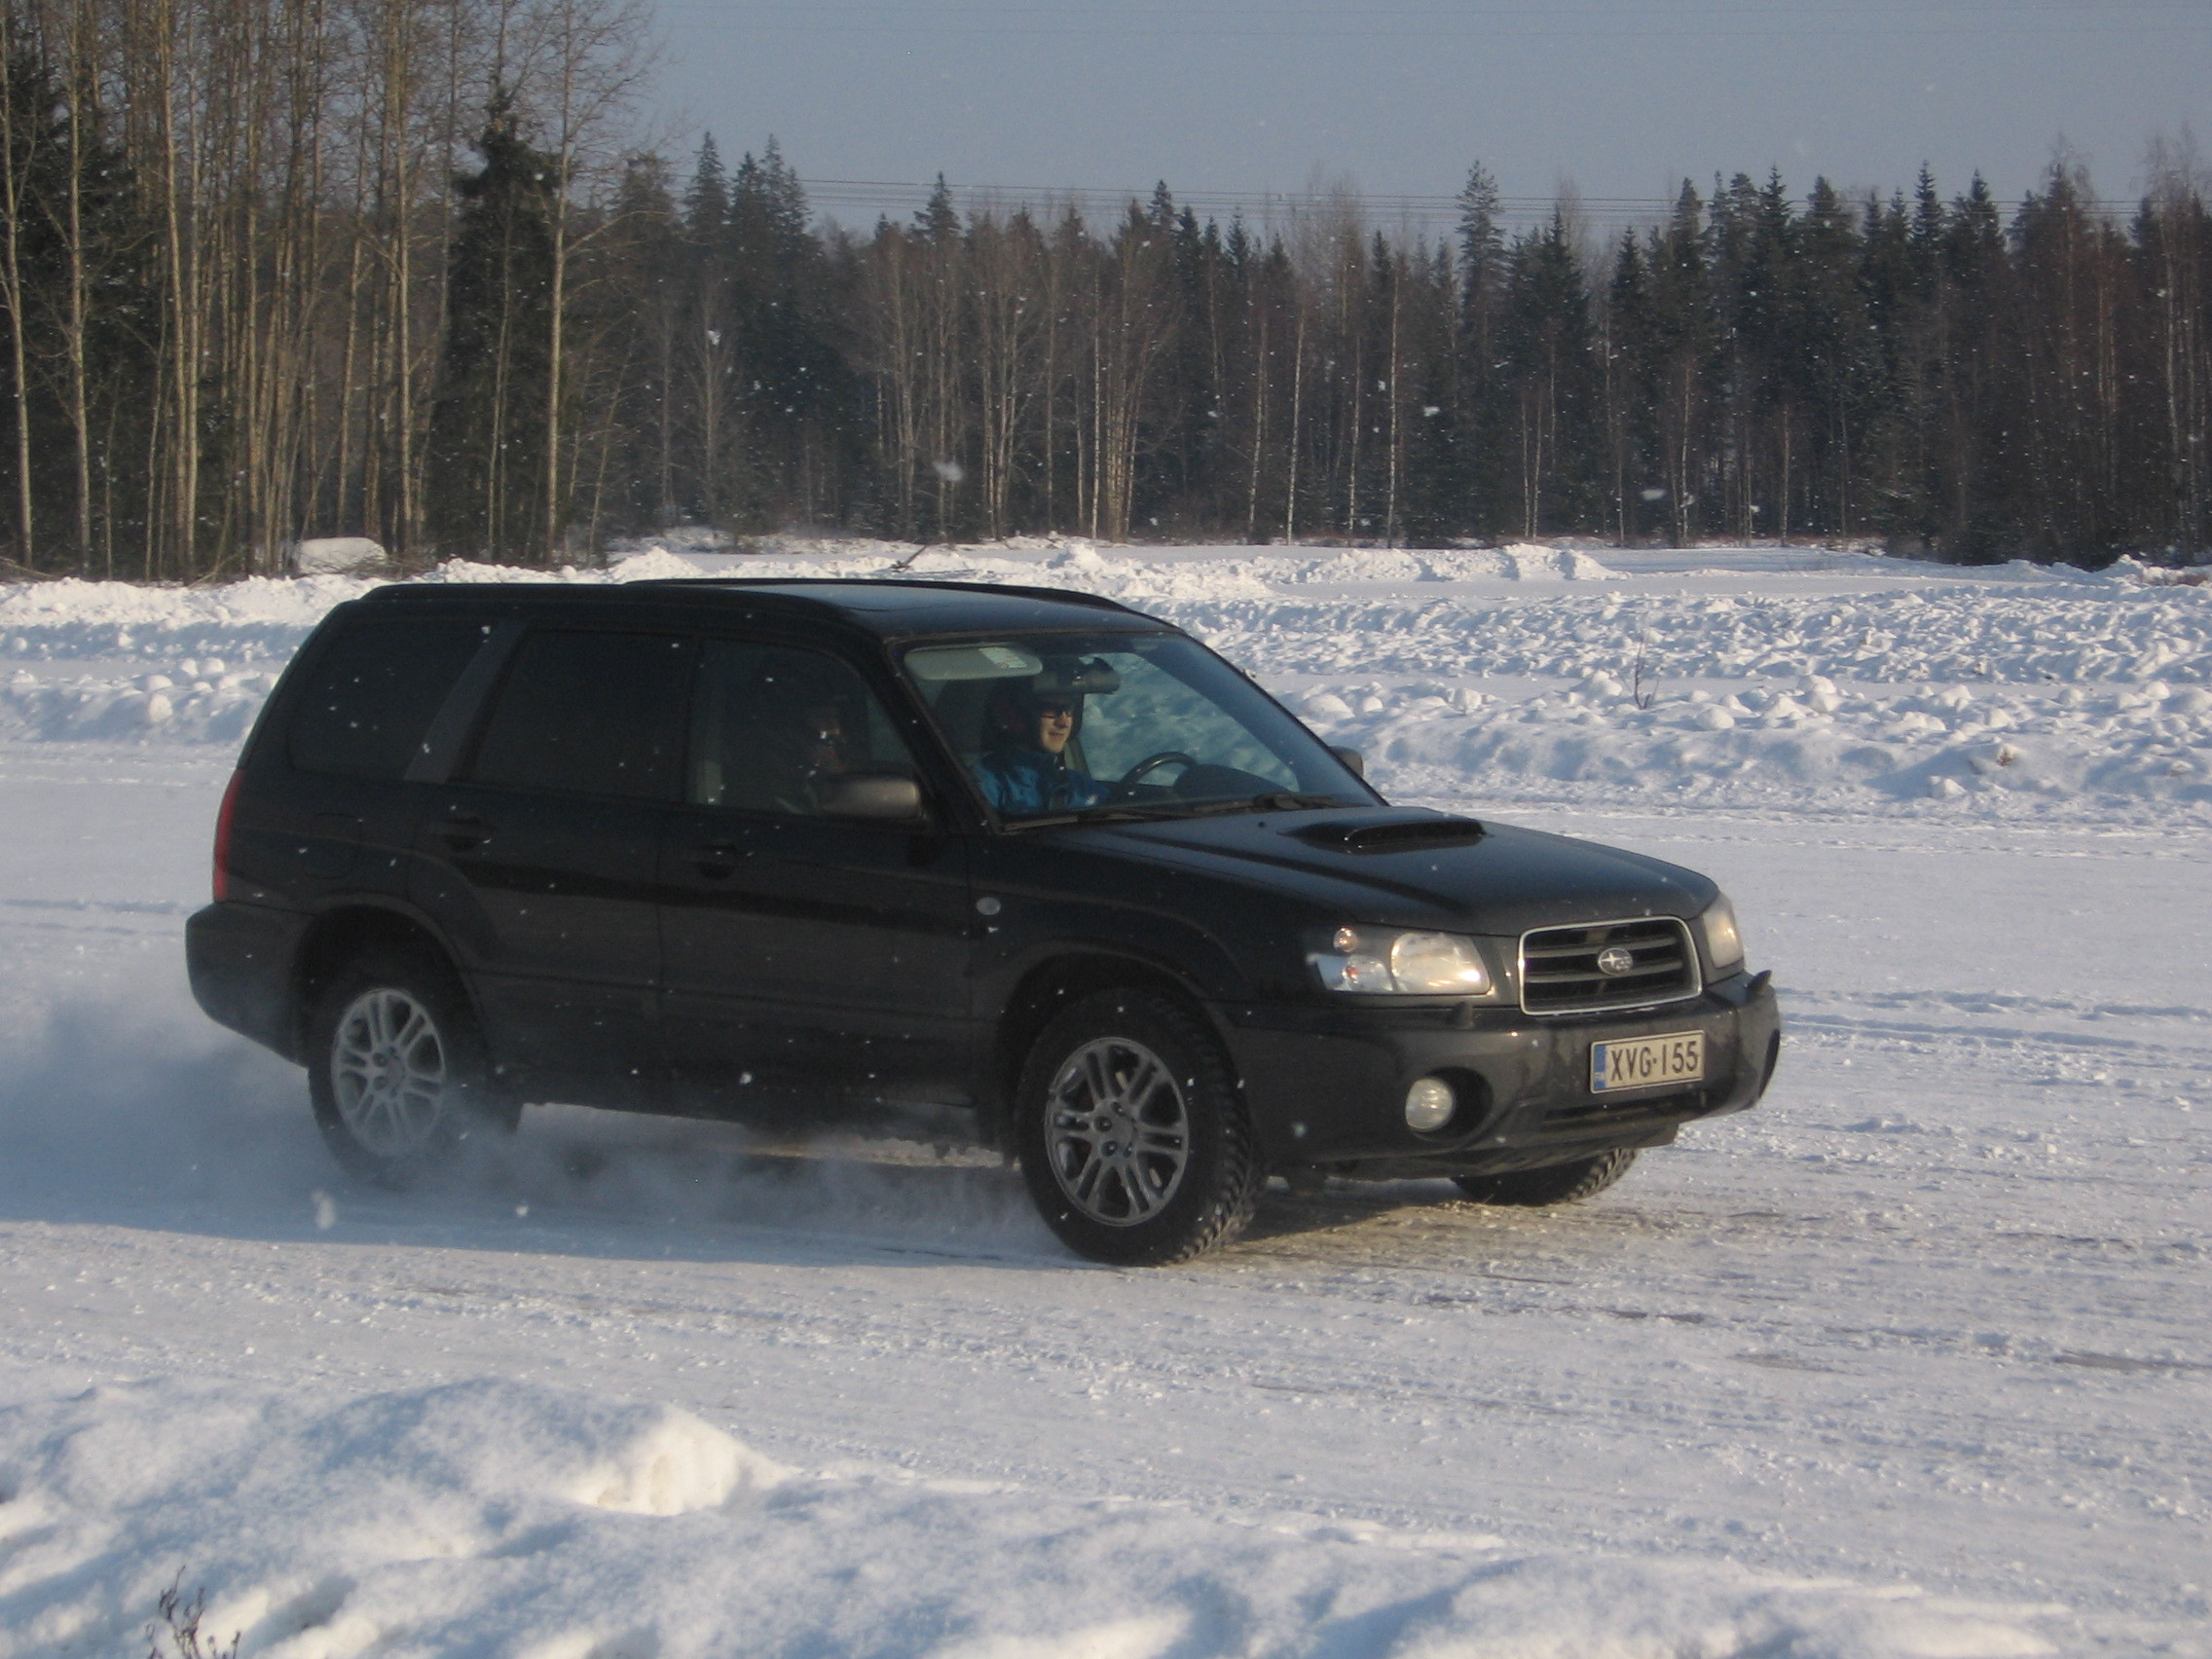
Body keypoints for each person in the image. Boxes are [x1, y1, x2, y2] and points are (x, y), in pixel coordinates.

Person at [974, 677, 1113, 814]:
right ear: (1018, 715)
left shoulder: (1079, 786)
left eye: (1069, 709)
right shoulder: (986, 784)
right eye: (1051, 709)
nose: (1063, 722)